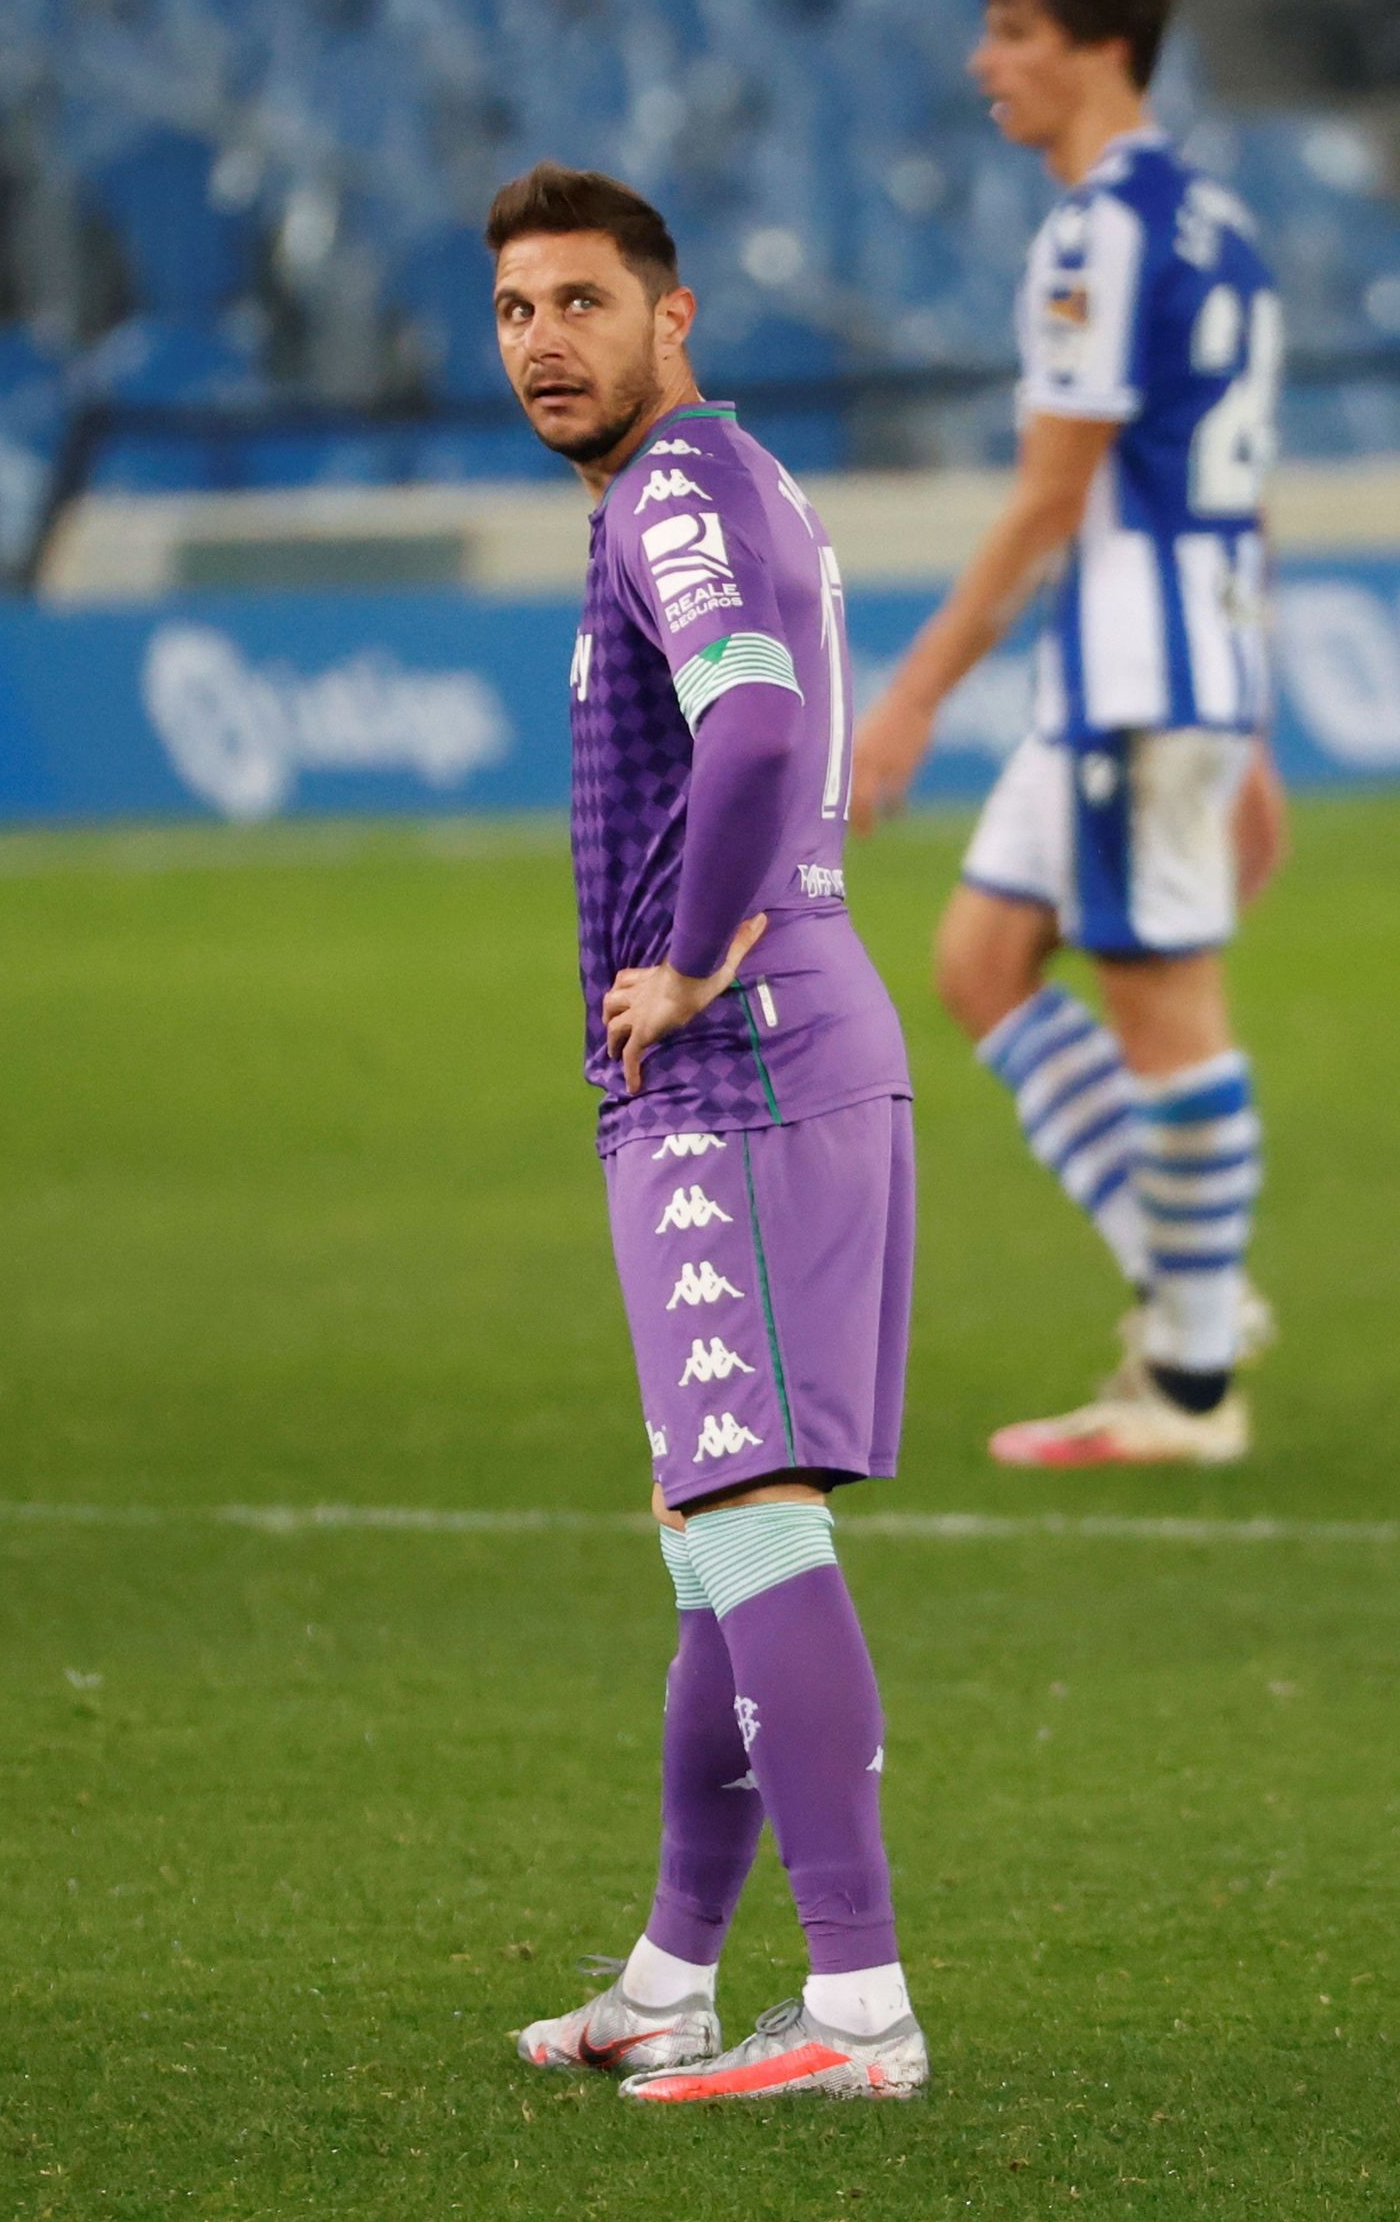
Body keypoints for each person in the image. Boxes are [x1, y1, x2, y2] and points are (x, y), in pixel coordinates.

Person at [486, 161, 927, 2103]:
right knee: (706, 1533)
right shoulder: (716, 488)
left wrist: (679, 964)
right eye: (511, 311)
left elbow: (747, 723)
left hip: (735, 1058)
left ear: (673, 321)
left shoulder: (671, 488)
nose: (539, 343)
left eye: (580, 303)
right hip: (772, 1039)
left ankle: (854, 2012)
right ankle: (671, 1976)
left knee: (746, 1513)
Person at [851, 0, 1286, 1470]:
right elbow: (1234, 493)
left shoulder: (1096, 238)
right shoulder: (1219, 222)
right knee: (979, 960)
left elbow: (1051, 501)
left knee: (1162, 1009)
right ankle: (1195, 1293)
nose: (987, 62)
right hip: (1170, 669)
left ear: (1100, 50)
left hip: (1133, 678)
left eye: (1015, 32)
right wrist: (1259, 724)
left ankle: (1184, 1386)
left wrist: (905, 700)